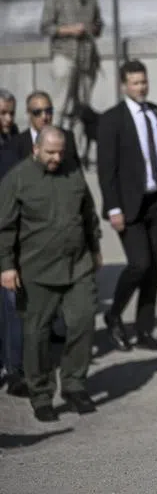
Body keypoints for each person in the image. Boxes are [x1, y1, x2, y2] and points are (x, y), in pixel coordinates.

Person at [0, 126, 102, 422]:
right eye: (50, 153)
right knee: (37, 334)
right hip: (37, 270)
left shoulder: (73, 172)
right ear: (36, 149)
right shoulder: (18, 179)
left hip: (77, 265)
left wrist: (95, 248)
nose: (57, 158)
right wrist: (6, 265)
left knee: (83, 321)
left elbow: (88, 214)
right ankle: (41, 394)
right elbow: (4, 227)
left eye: (61, 152)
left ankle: (74, 385)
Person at [96, 60, 157, 352]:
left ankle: (144, 330)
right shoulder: (112, 120)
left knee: (152, 268)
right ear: (123, 85)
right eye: (135, 83)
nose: (141, 87)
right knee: (139, 264)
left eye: (143, 82)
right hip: (129, 206)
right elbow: (107, 170)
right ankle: (114, 314)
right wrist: (113, 208)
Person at [39, 0, 103, 124]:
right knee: (60, 104)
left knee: (82, 108)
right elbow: (45, 27)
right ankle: (52, 141)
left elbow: (99, 24)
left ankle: (76, 146)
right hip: (64, 55)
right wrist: (70, 30)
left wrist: (94, 28)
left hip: (87, 58)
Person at [0, 87, 27, 397]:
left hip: (12, 229)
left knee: (11, 299)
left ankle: (15, 368)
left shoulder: (16, 141)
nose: (7, 119)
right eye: (2, 114)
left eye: (10, 113)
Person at [9, 91, 81, 171]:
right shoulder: (16, 143)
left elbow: (77, 171)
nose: (44, 117)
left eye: (48, 111)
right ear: (29, 113)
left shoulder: (67, 137)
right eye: (37, 112)